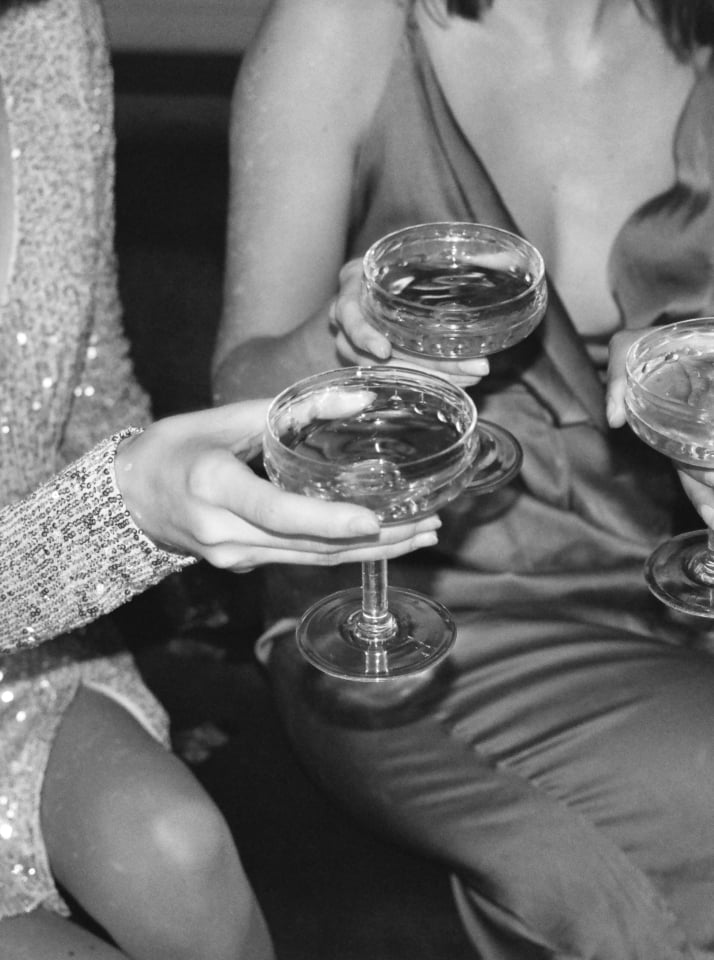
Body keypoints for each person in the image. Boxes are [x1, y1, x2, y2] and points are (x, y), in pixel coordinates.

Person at [213, 0, 714, 956]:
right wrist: (339, 337)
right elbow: (233, 391)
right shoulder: (343, 29)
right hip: (413, 604)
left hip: (677, 578)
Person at [0, 0, 440, 958]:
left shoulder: (44, 27)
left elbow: (87, 380)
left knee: (184, 847)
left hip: (22, 660)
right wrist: (119, 518)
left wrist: (246, 435)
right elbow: (114, 502)